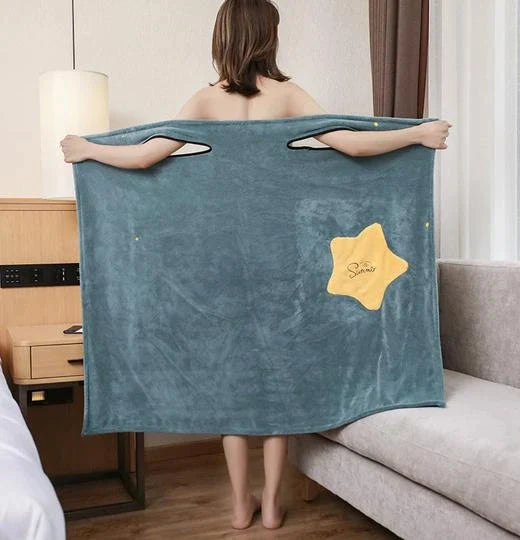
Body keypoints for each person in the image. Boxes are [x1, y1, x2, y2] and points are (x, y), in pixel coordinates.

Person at [61, 0, 452, 531]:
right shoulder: (287, 95)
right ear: (269, 36)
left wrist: (87, 148)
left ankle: (239, 504)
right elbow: (352, 145)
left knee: (232, 383)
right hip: (282, 262)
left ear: (222, 36)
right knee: (277, 379)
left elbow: (145, 156)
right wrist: (415, 135)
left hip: (219, 263)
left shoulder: (205, 99)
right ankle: (270, 503)